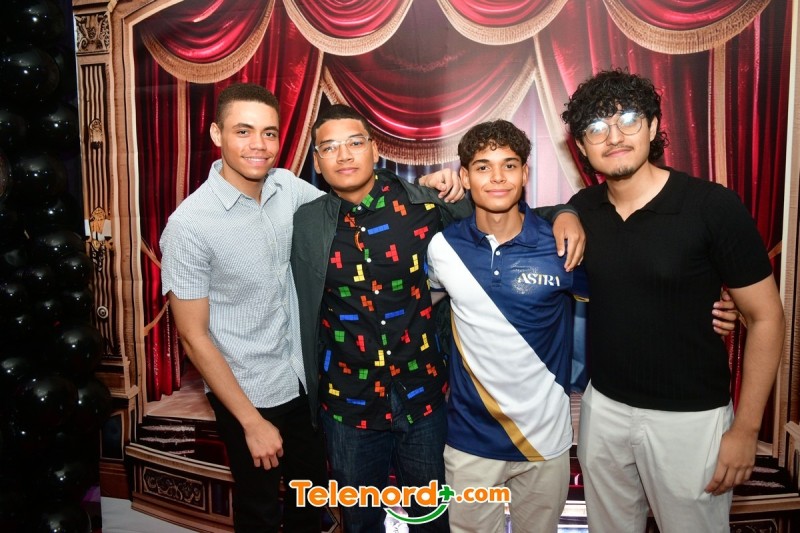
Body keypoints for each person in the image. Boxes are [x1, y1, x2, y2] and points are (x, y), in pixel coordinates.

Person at [290, 104, 586, 532]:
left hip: (423, 402)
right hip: (348, 406)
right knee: (359, 522)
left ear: (374, 149)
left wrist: (565, 213)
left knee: (433, 522)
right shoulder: (304, 223)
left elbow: (505, 212)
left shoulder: (425, 206)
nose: (344, 155)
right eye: (329, 148)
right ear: (317, 162)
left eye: (354, 142)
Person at [561, 69, 785, 533]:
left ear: (653, 125)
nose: (614, 136)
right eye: (597, 128)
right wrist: (564, 212)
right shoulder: (583, 208)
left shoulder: (712, 206)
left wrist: (746, 430)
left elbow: (766, 317)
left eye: (627, 119)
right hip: (604, 410)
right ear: (582, 146)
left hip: (691, 418)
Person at [160, 83, 329, 532]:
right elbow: (193, 337)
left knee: (310, 506)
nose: (259, 145)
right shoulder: (189, 226)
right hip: (247, 393)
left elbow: (346, 211)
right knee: (260, 515)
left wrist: (419, 188)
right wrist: (251, 422)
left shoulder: (286, 187)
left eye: (269, 133)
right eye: (243, 131)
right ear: (217, 134)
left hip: (300, 382)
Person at [426, 119, 589, 533]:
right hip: (470, 442)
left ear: (525, 173)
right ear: (465, 177)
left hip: (545, 443)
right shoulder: (443, 247)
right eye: (483, 167)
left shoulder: (561, 245)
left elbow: (626, 304)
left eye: (509, 165)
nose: (497, 177)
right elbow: (412, 310)